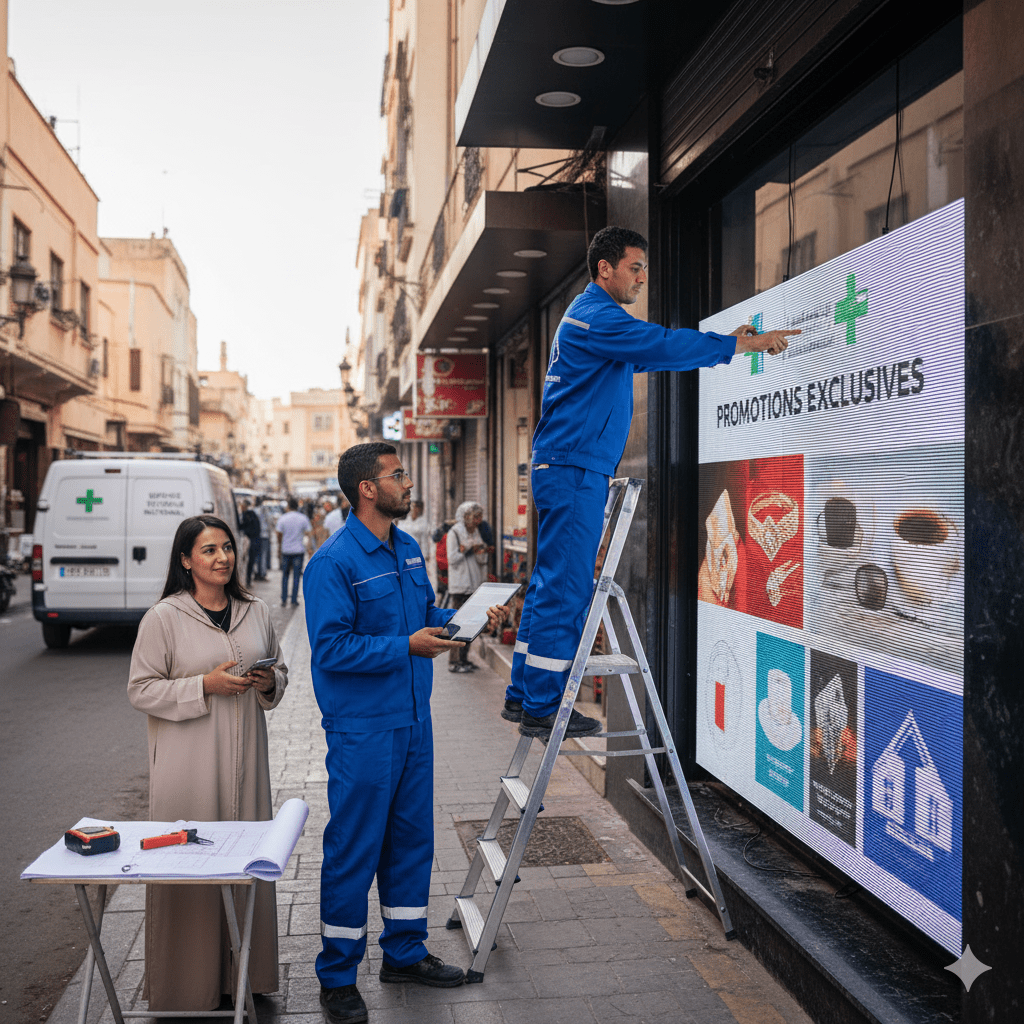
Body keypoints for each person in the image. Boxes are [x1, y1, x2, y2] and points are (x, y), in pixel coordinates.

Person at [504, 225, 800, 738]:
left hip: (566, 466)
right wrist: (742, 346)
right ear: (605, 268)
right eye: (635, 268)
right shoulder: (598, 317)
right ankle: (543, 707)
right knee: (567, 589)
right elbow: (659, 344)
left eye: (644, 269)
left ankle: (523, 695)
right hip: (575, 469)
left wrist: (725, 345)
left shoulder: (590, 320)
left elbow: (648, 353)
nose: (642, 279)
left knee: (551, 583)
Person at [303, 443, 507, 1024]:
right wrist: (406, 647)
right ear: (368, 488)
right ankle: (338, 976)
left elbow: (428, 619)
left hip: (415, 722)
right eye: (398, 475)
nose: (408, 482)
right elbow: (333, 648)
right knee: (354, 848)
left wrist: (466, 623)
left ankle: (405, 953)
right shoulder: (334, 563)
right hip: (363, 730)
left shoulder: (409, 548)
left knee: (412, 841)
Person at [127, 514, 288, 1012]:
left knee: (244, 863)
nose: (222, 558)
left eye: (227, 548)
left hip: (248, 764)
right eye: (208, 551)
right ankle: (187, 986)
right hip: (189, 764)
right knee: (192, 868)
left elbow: (278, 668)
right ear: (185, 560)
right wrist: (204, 686)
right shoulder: (164, 617)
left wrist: (268, 683)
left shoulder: (256, 609)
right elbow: (141, 689)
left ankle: (246, 976)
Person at [445, 501, 487, 673]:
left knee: (471, 625)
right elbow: (452, 558)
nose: (477, 521)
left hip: (474, 585)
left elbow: (481, 557)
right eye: (474, 517)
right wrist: (467, 550)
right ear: (465, 517)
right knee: (458, 624)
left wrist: (479, 550)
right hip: (460, 585)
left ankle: (464, 658)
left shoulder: (475, 532)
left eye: (479, 517)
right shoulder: (454, 533)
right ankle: (454, 661)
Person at [276, 496, 311, 607]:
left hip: (286, 551)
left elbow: (279, 534)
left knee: (285, 576)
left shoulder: (283, 518)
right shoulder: (303, 518)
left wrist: (279, 547)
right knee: (296, 576)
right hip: (298, 551)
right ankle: (294, 600)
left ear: (289, 506)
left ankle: (284, 599)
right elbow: (308, 533)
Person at [403, 499, 432, 582]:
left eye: (415, 507)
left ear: (419, 509)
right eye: (412, 506)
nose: (414, 509)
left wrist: (425, 555)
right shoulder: (404, 522)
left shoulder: (423, 523)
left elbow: (424, 541)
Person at [240, 499, 262, 587]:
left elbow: (243, 527)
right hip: (256, 541)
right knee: (251, 562)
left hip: (250, 541)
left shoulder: (246, 515)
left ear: (244, 507)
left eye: (242, 506)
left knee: (248, 562)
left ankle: (247, 580)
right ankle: (248, 580)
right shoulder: (253, 514)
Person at [255, 496, 271, 580]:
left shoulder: (255, 510)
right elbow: (269, 521)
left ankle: (258, 572)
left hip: (257, 536)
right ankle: (262, 573)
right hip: (264, 535)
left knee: (258, 556)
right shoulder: (265, 510)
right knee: (263, 555)